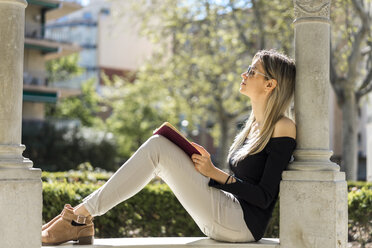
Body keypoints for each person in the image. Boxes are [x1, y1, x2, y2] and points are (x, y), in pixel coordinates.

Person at [41, 49, 297, 246]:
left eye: (252, 71)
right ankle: (81, 219)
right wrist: (205, 167)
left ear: (270, 84)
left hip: (242, 224)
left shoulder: (283, 127)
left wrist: (214, 173)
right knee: (160, 146)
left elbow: (264, 197)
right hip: (227, 209)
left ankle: (79, 217)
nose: (244, 74)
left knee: (158, 148)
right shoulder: (251, 126)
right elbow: (240, 181)